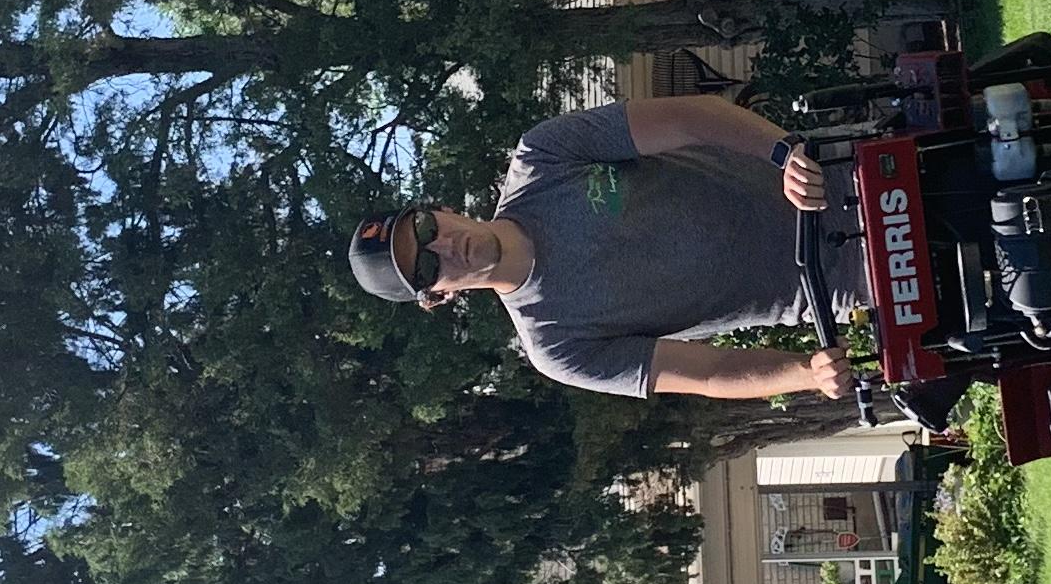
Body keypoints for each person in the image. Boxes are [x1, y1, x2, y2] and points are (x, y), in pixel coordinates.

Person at [345, 93, 852, 400]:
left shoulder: (543, 157)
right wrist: (806, 374)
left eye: (426, 229)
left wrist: (783, 153)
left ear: (440, 209)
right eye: (427, 266)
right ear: (438, 296)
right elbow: (709, 374)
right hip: (847, 281)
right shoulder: (557, 347)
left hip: (841, 177)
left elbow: (691, 117)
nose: (444, 245)